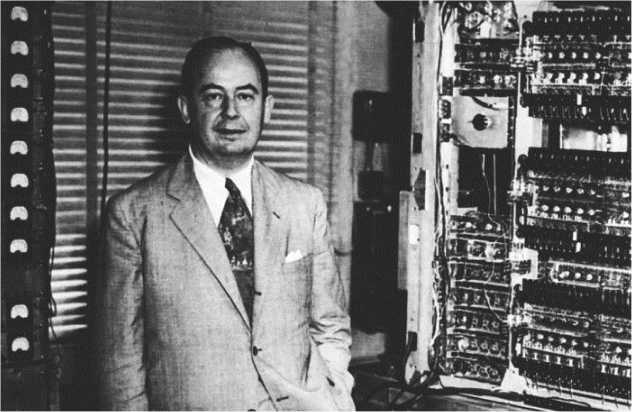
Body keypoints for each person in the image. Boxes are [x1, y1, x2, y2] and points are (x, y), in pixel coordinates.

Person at [94, 36, 354, 410]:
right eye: (214, 96)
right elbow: (121, 363)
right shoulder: (134, 214)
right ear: (186, 108)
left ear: (267, 109)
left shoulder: (304, 203)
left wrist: (336, 393)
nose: (231, 112)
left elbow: (330, 325)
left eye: (245, 96)